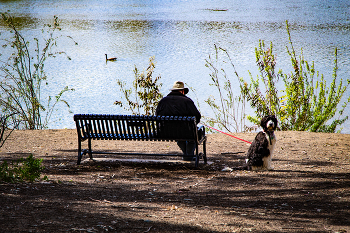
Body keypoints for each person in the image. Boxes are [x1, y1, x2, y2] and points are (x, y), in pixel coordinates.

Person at [156, 81, 201, 161]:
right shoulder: (187, 101)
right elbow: (197, 116)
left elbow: (157, 116)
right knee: (193, 134)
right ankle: (189, 155)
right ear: (182, 91)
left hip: (164, 132)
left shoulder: (163, 101)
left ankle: (186, 154)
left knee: (179, 133)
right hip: (185, 132)